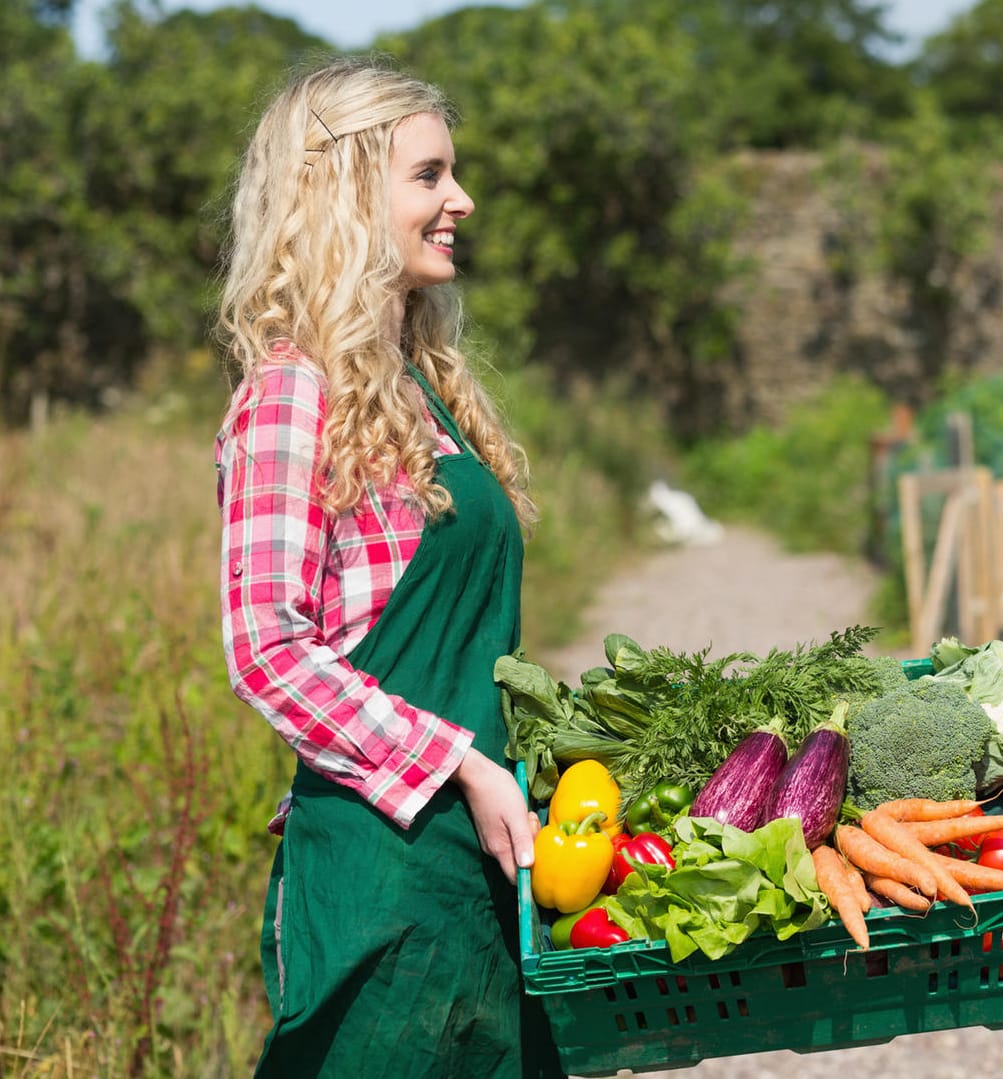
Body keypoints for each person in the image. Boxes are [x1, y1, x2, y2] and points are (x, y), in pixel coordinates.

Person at [215, 58, 564, 1078]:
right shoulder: (291, 394)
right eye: (429, 175)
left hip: (480, 866)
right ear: (345, 193)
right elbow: (267, 648)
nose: (461, 200)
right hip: (382, 879)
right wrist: (460, 760)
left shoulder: (420, 391)